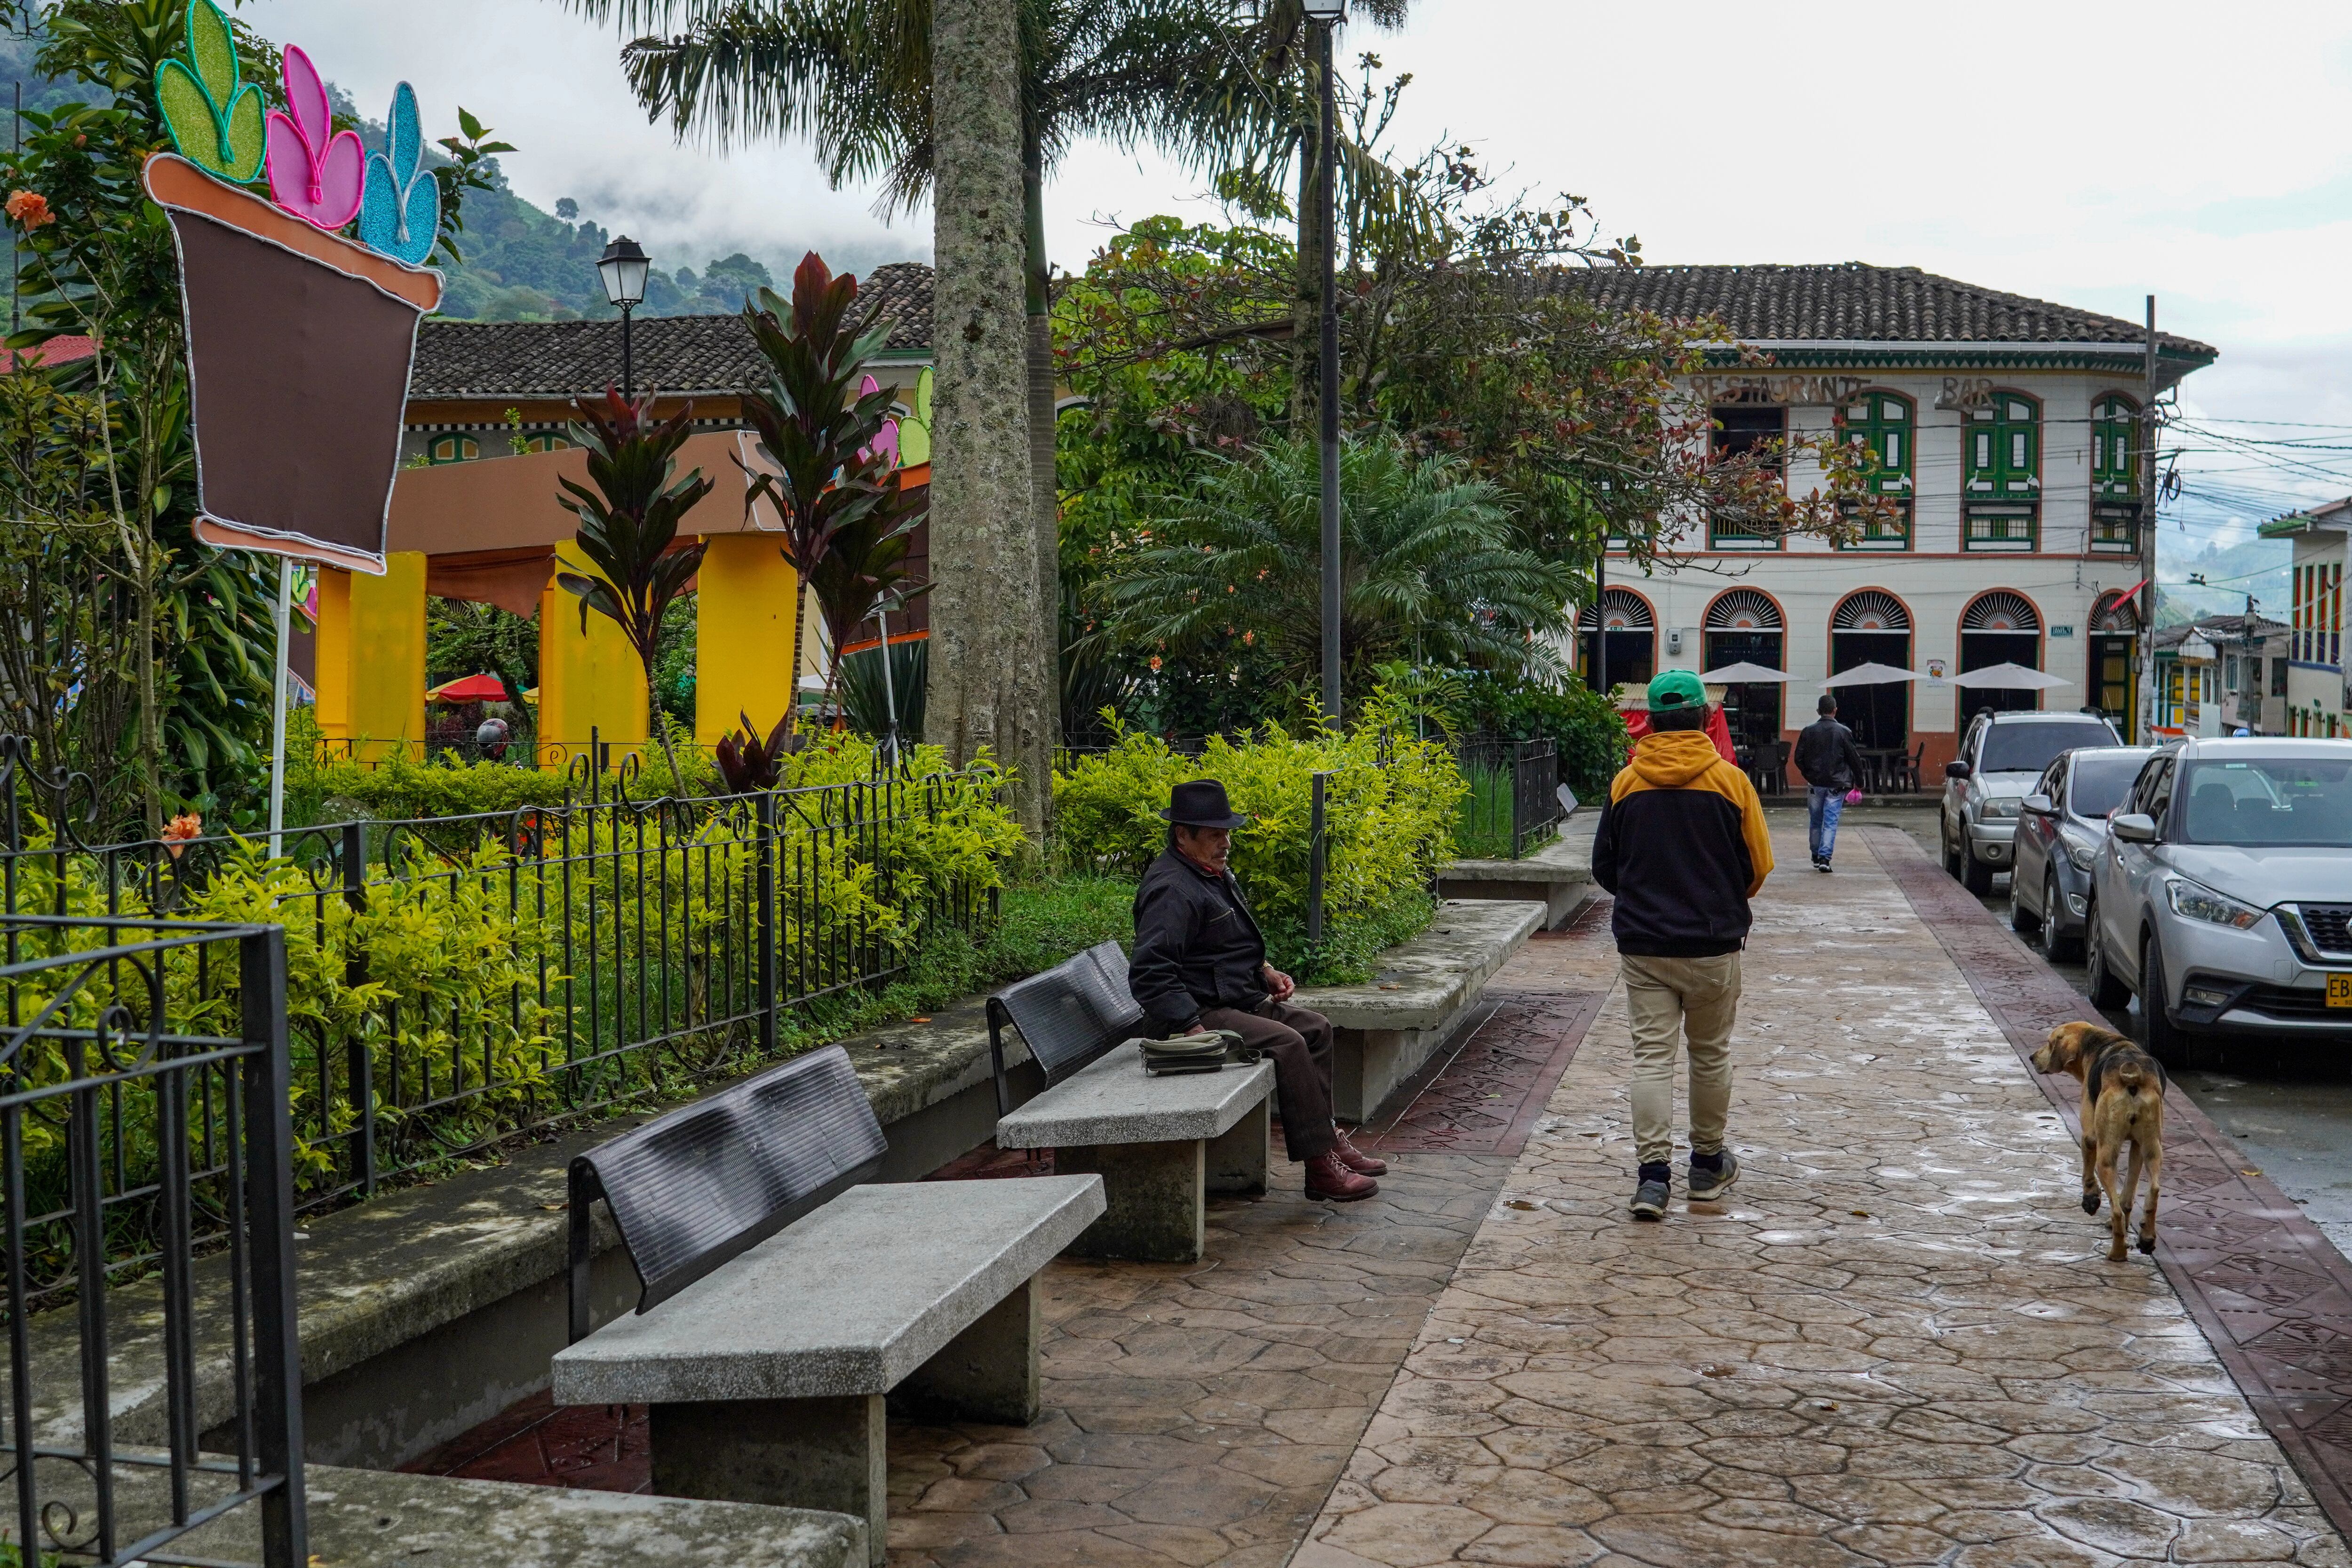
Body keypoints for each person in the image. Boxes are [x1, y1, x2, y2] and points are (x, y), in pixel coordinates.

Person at [1128, 779, 1386, 1202]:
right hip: (1192, 1015)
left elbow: (1223, 944)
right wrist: (1191, 1026)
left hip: (1231, 999)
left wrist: (1265, 971)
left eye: (1227, 833)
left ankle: (1328, 1139)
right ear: (1182, 836)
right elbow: (1149, 972)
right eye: (1215, 834)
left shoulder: (1208, 872)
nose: (1226, 842)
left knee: (1317, 1029)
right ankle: (1320, 1167)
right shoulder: (1172, 889)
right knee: (1288, 1043)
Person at [1590, 670, 1775, 1220]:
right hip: (1712, 944)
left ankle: (1652, 1181)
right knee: (1709, 1053)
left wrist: (1643, 899)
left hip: (1643, 944)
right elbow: (1758, 865)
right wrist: (1720, 900)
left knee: (1651, 1057)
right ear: (1703, 718)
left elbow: (1604, 866)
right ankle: (1706, 1167)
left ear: (1650, 722)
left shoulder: (1626, 783)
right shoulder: (1730, 782)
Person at [1793, 693, 1868, 872]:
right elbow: (1854, 759)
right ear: (1835, 711)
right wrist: (1859, 782)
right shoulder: (1844, 732)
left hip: (1815, 783)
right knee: (1830, 821)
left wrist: (1809, 774)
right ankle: (1825, 859)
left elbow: (1798, 758)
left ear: (1818, 711)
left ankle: (1815, 855)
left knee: (1815, 821)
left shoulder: (1808, 731)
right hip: (1837, 784)